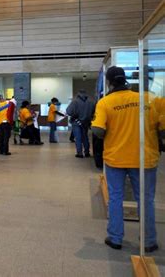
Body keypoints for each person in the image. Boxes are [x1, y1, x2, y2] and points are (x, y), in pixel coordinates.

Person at [92, 66, 161, 252]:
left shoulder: (106, 102)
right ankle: (149, 241)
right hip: (145, 158)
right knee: (146, 200)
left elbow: (98, 130)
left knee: (115, 198)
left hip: (116, 158)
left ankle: (115, 238)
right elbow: (162, 129)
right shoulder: (149, 99)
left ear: (108, 81)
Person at [66, 90, 95, 158]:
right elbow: (94, 112)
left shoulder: (75, 101)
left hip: (76, 122)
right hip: (86, 122)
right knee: (85, 137)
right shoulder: (91, 102)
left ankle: (80, 153)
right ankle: (87, 152)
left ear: (78, 94)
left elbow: (69, 111)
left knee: (78, 138)